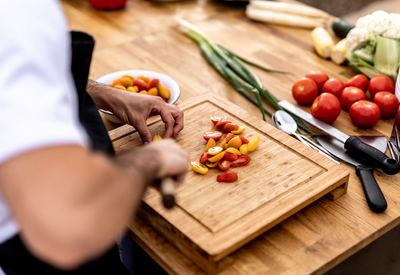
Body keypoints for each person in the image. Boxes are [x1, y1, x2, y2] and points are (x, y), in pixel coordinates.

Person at [0, 1, 189, 274]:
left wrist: (108, 93)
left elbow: (24, 73)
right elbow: (67, 225)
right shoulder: (19, 12)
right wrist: (149, 161)